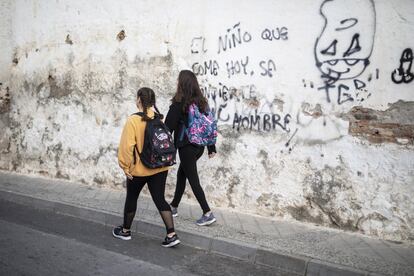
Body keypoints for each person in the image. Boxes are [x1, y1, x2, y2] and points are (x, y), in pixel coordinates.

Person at [112, 87, 180, 248]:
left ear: (139, 100)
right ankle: (171, 234)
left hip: (140, 169)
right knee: (160, 199)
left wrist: (125, 166)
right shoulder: (158, 118)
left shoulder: (133, 120)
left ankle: (126, 231)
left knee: (132, 197)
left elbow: (127, 147)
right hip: (159, 167)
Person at [165, 70, 217, 226]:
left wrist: (165, 148)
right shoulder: (201, 102)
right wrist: (211, 147)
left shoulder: (179, 103)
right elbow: (208, 125)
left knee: (193, 180)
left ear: (181, 84)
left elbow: (168, 127)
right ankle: (174, 207)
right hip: (199, 146)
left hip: (186, 146)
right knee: (182, 174)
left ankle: (207, 213)